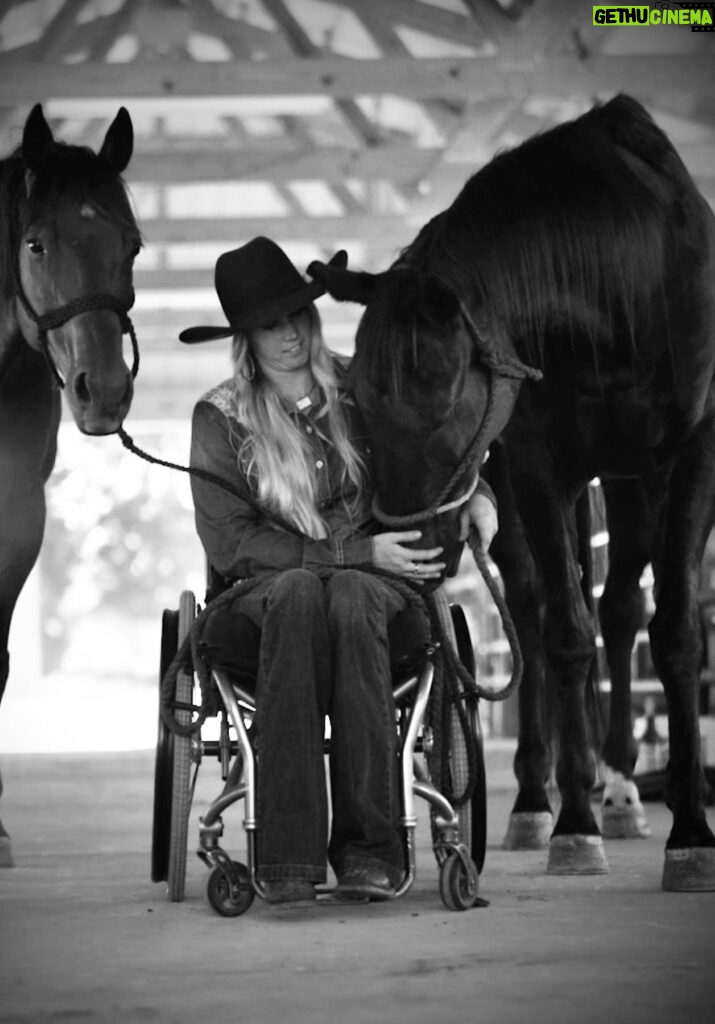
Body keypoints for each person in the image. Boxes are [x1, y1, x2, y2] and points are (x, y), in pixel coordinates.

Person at [180, 237, 497, 904]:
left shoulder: (366, 388)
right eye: (270, 324)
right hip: (263, 597)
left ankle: (370, 855)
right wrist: (353, 552)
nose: (290, 334)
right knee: (300, 591)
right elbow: (232, 542)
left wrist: (484, 500)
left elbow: (442, 448)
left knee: (351, 595)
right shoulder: (218, 418)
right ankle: (288, 860)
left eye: (298, 314)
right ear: (246, 338)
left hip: (375, 592)